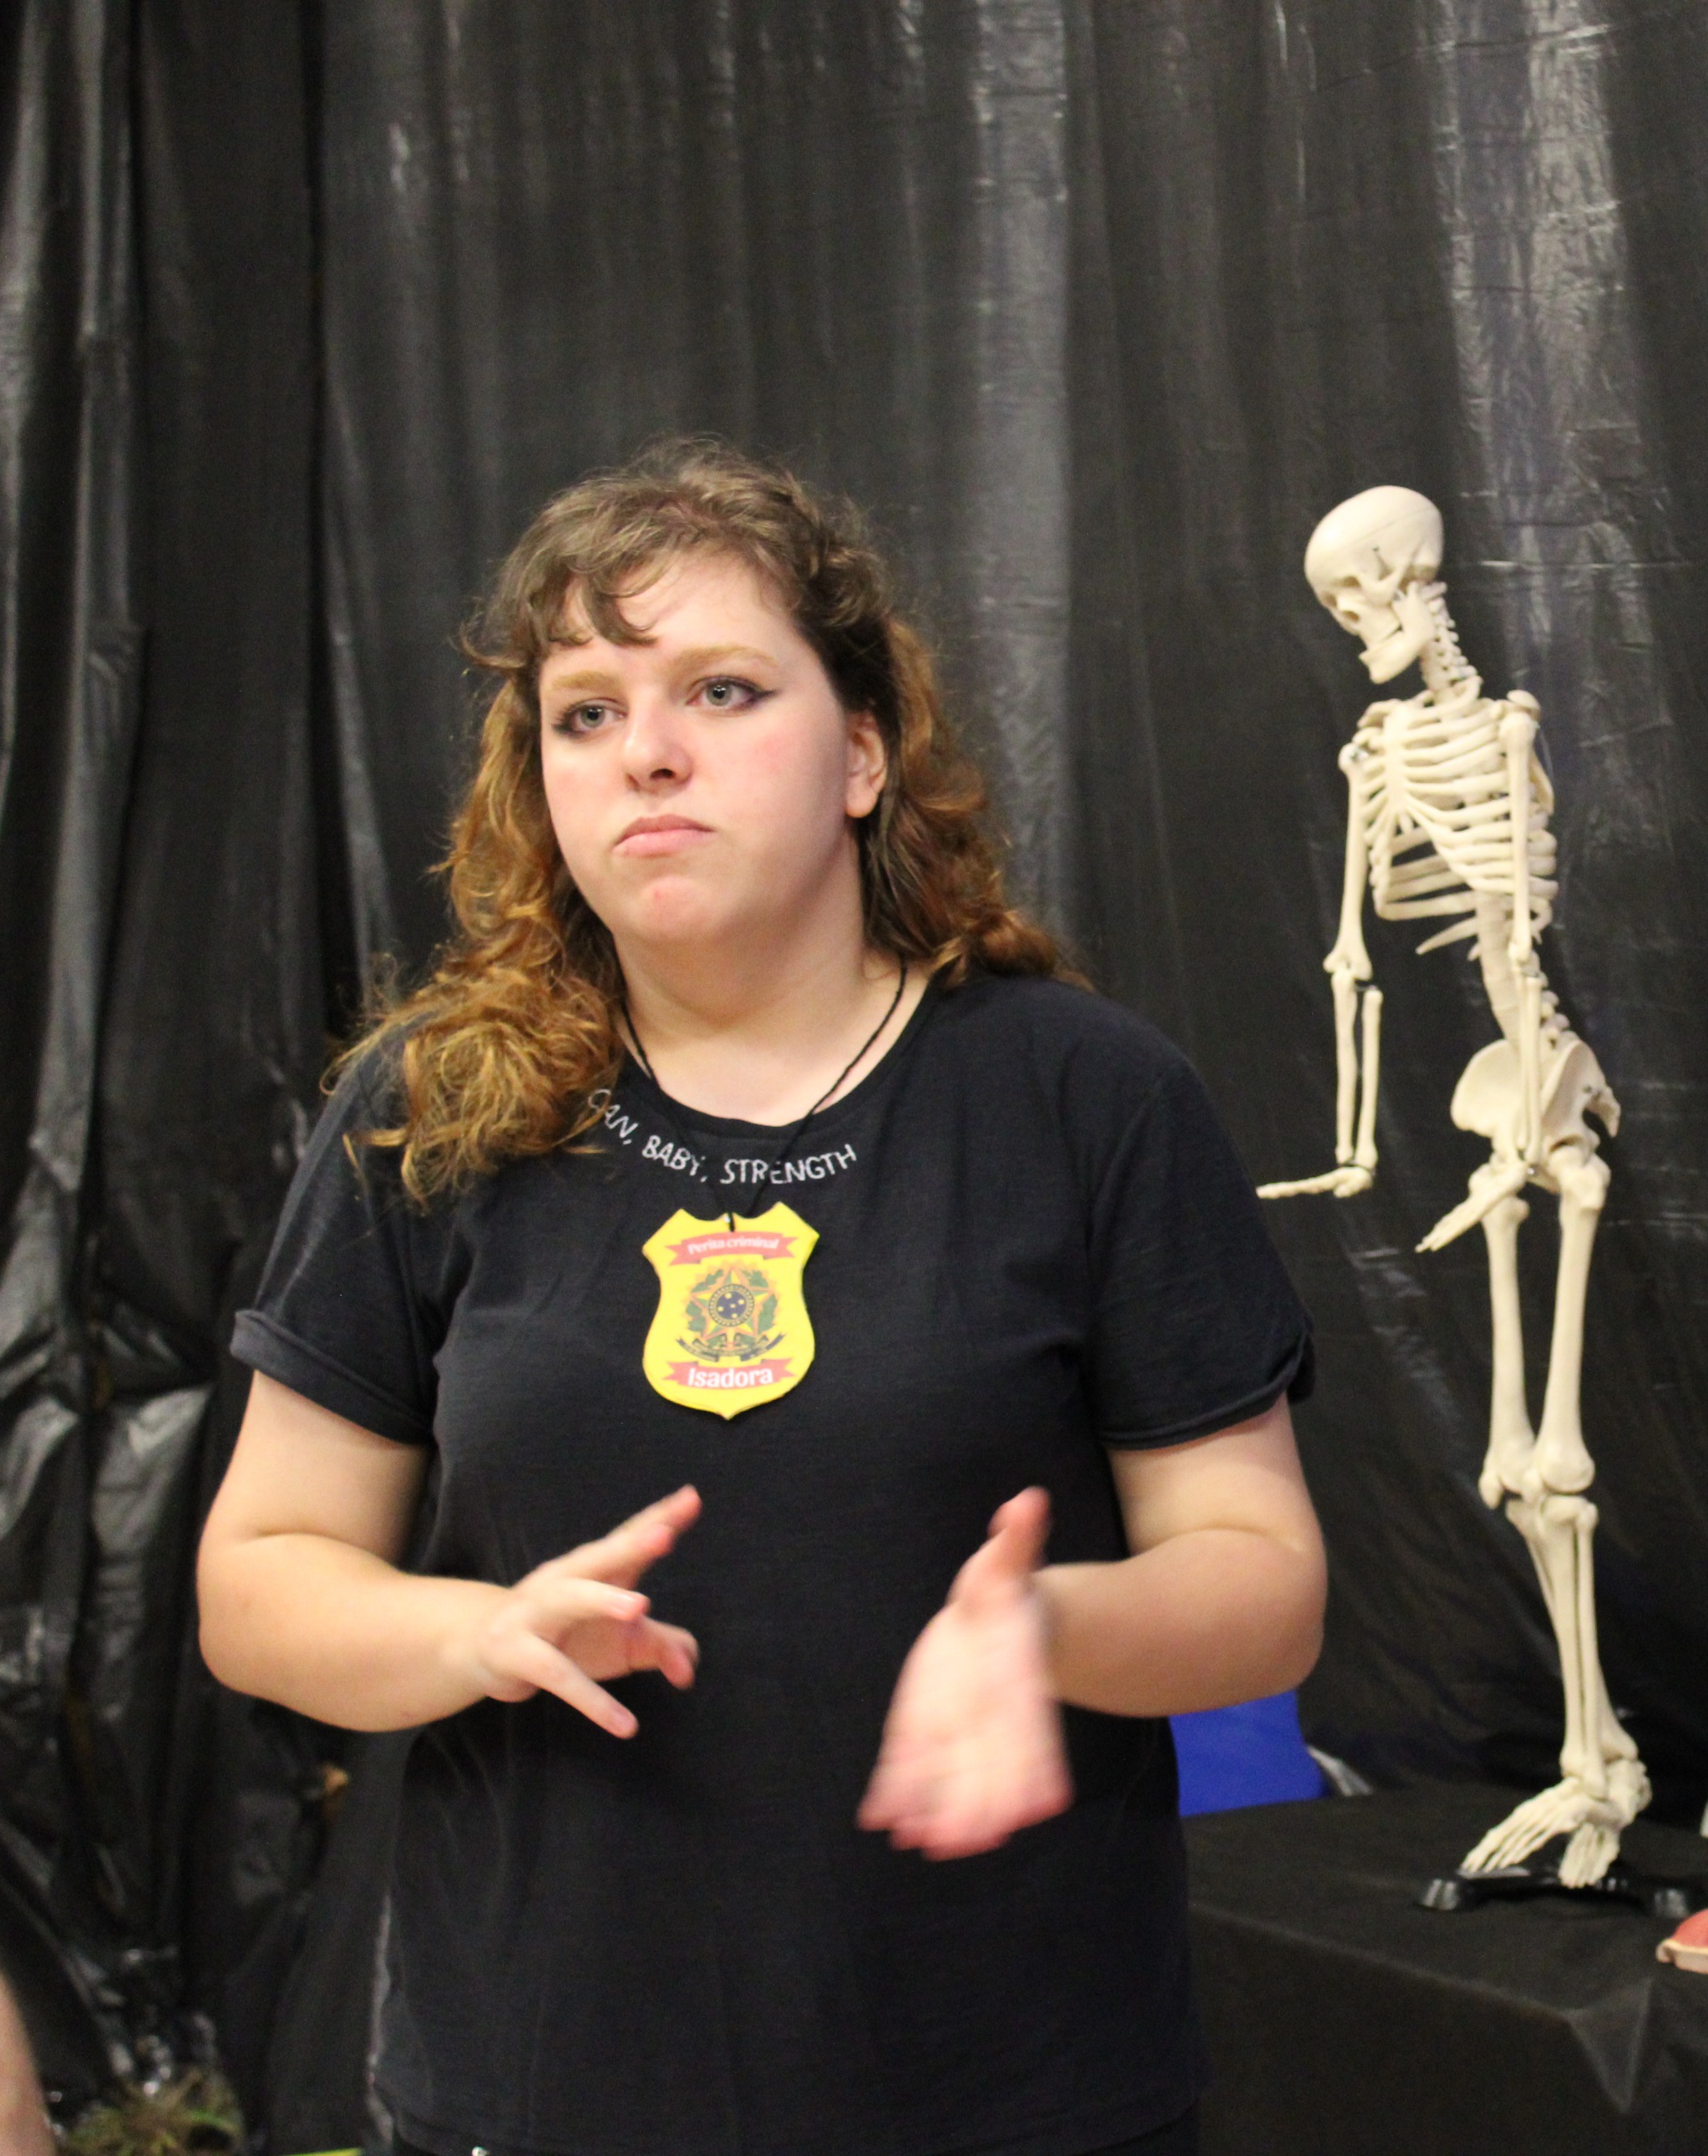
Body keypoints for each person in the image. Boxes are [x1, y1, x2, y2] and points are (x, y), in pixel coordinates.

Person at [197, 440, 1324, 2156]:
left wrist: (1046, 1627)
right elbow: (258, 1581)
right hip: (546, 2085)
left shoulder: (1084, 1094)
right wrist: (471, 1635)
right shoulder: (434, 1109)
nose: (646, 750)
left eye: (721, 690)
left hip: (1016, 2090)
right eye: (584, 712)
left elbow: (1264, 1583)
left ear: (864, 751)